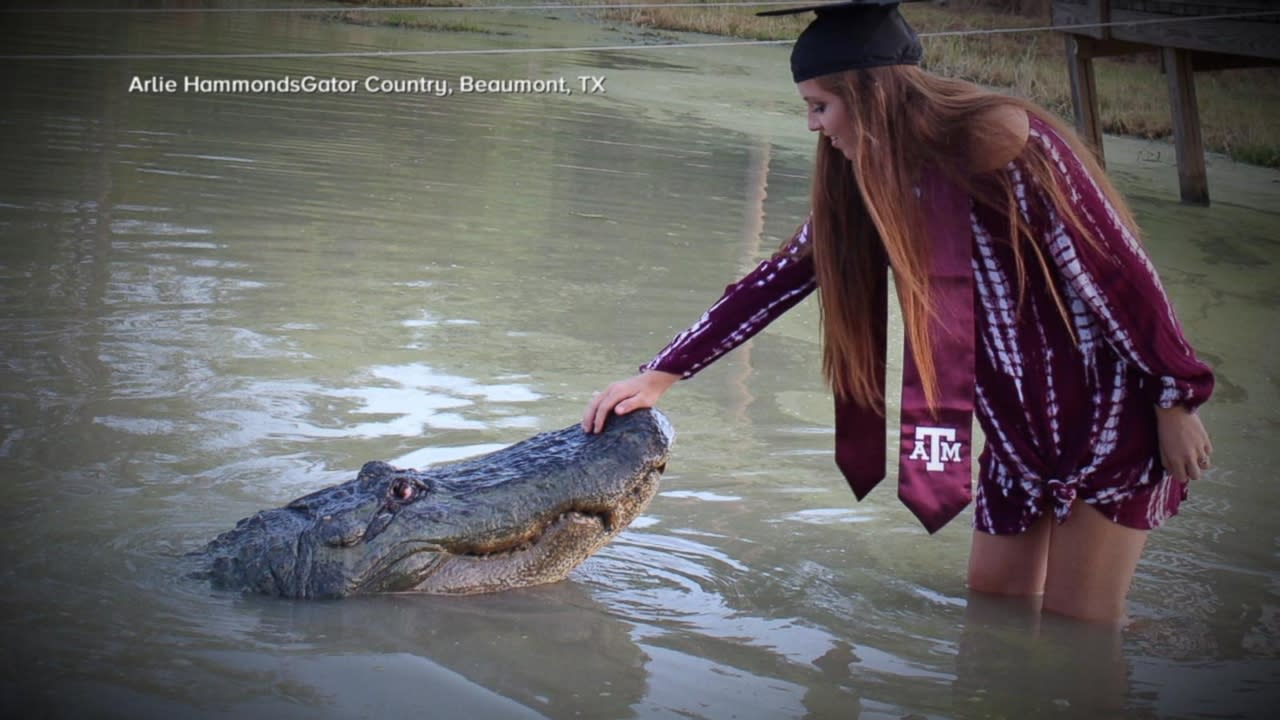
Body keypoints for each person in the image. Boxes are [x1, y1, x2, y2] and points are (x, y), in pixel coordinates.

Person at [581, 0, 1213, 624]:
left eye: (819, 107)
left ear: (871, 96)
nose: (813, 126)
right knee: (994, 613)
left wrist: (1176, 400)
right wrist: (661, 373)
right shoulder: (873, 176)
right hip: (1017, 434)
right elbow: (778, 279)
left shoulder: (1013, 150)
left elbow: (1119, 278)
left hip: (1106, 419)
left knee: (1081, 631)